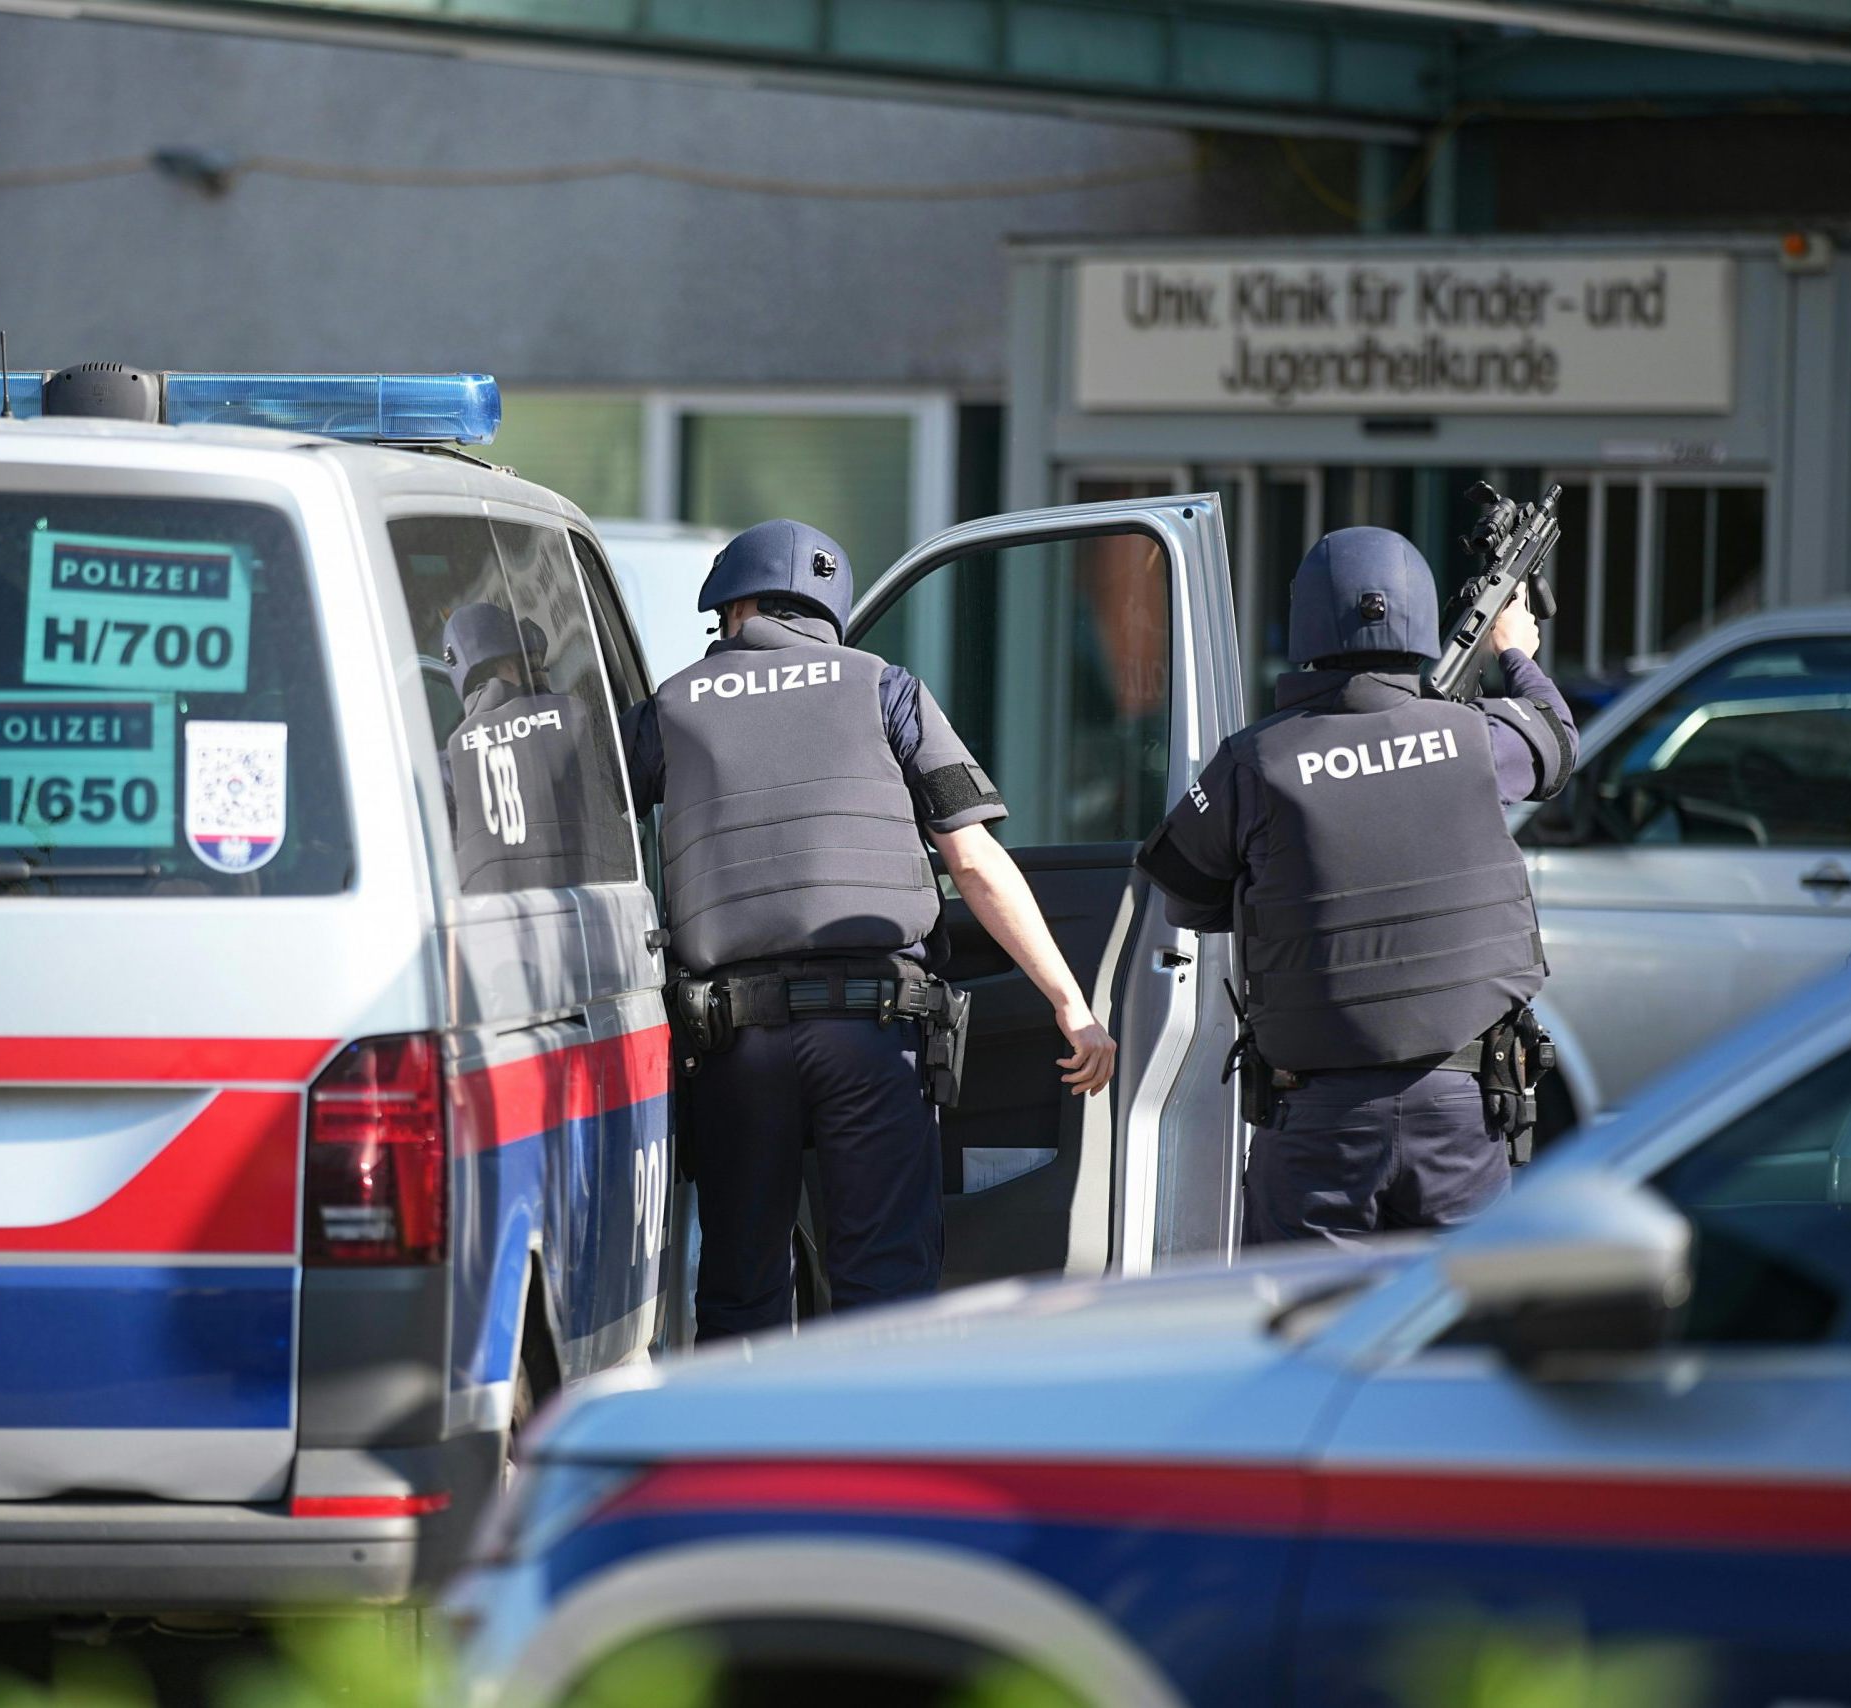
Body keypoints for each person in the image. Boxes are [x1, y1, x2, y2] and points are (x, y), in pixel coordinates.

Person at [619, 518, 1115, 1341]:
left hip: (734, 1043)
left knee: (740, 1288)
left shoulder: (669, 705)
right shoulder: (884, 687)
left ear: (731, 606)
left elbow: (587, 833)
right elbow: (972, 860)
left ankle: (735, 1424)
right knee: (882, 1287)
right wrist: (1069, 1003)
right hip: (872, 1033)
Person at [1135, 525, 1577, 1247]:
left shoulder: (1254, 761)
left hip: (1317, 1121)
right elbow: (1556, 740)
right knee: (1454, 1311)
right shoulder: (1473, 738)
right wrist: (1517, 653)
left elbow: (1184, 894)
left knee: (1302, 1312)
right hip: (1461, 1110)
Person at [439, 602, 613, 893]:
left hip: (498, 921)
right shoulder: (574, 717)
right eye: (533, 668)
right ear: (508, 665)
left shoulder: (448, 766)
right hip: (595, 911)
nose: (541, 681)